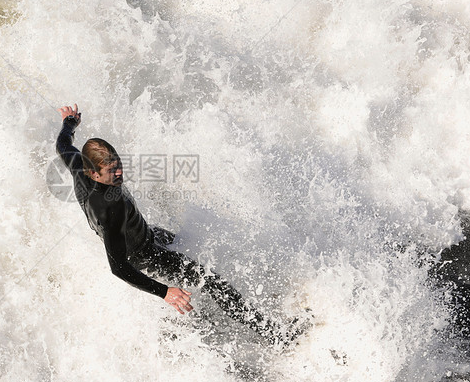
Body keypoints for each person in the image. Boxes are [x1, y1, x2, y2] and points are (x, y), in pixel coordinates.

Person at [55, 104, 307, 344]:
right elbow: (118, 267)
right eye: (112, 171)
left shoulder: (77, 163)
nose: (120, 173)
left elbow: (62, 144)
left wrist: (69, 123)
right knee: (211, 281)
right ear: (94, 174)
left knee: (181, 241)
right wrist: (164, 292)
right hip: (146, 255)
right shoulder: (111, 210)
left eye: (119, 165)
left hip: (147, 234)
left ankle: (211, 308)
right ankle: (273, 334)